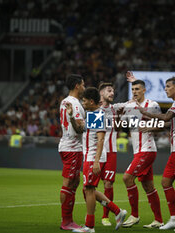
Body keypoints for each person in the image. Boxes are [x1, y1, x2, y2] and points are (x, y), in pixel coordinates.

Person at [137, 76, 175, 231]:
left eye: (168, 86)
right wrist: (151, 128)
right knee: (165, 182)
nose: (165, 89)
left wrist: (146, 112)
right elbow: (170, 123)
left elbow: (166, 117)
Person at [67, 87, 127, 233]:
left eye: (84, 100)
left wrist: (96, 161)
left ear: (91, 101)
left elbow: (101, 140)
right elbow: (81, 130)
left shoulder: (97, 115)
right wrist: (71, 117)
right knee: (88, 190)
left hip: (93, 156)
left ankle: (90, 226)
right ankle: (117, 211)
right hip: (90, 156)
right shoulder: (92, 114)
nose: (83, 102)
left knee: (88, 190)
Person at [118, 79, 164, 229]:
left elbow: (162, 124)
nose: (135, 91)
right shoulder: (129, 106)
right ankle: (158, 220)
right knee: (148, 186)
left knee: (127, 178)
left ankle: (134, 215)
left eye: (138, 89)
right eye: (133, 89)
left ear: (144, 90)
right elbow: (122, 122)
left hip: (148, 149)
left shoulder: (153, 105)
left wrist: (150, 127)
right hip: (138, 150)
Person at [58, 74, 86, 230]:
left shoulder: (65, 101)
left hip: (67, 145)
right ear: (77, 85)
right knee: (69, 183)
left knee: (74, 182)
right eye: (83, 84)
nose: (84, 87)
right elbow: (79, 128)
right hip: (73, 147)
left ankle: (67, 220)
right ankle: (66, 221)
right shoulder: (74, 104)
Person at [98, 82, 126, 226]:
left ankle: (105, 216)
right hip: (96, 152)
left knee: (108, 184)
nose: (112, 93)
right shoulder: (94, 110)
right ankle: (89, 215)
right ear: (101, 93)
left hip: (111, 152)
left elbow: (132, 103)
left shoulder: (115, 108)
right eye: (109, 91)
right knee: (90, 186)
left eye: (113, 91)